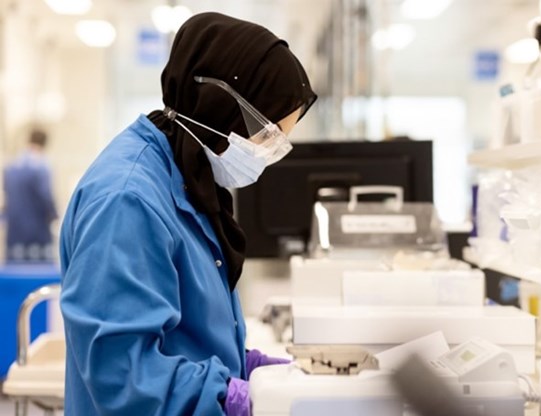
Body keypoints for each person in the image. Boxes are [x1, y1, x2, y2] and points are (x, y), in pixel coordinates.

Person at [59, 12, 316, 416]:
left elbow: (188, 331)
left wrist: (251, 371)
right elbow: (123, 375)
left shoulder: (186, 177)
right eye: (268, 135)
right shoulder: (128, 200)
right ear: (221, 105)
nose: (269, 153)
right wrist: (232, 398)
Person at [3, 128, 58, 263]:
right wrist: (55, 216)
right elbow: (46, 196)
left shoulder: (12, 165)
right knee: (38, 276)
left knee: (15, 275)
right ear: (45, 144)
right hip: (37, 233)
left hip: (15, 231)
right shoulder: (41, 167)